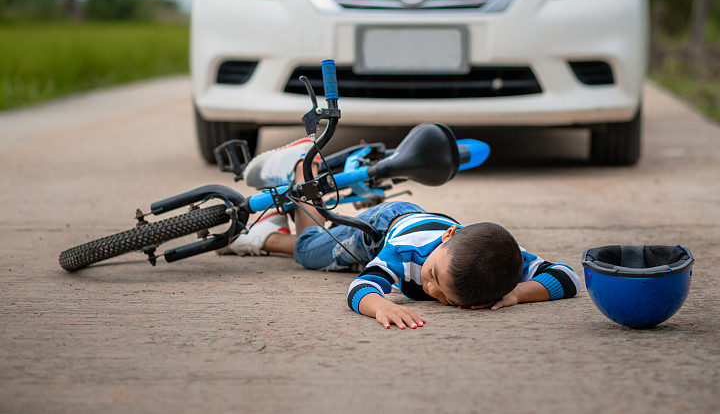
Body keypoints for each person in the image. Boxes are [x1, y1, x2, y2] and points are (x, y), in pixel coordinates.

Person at [218, 139, 581, 329]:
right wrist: (381, 306)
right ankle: (303, 169)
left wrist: (518, 292)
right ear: (449, 236)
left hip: (422, 227)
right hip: (383, 229)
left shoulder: (502, 258)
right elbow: (360, 287)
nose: (429, 289)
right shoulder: (406, 254)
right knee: (312, 251)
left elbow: (567, 277)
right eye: (435, 276)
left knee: (320, 252)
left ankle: (265, 232)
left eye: (444, 298)